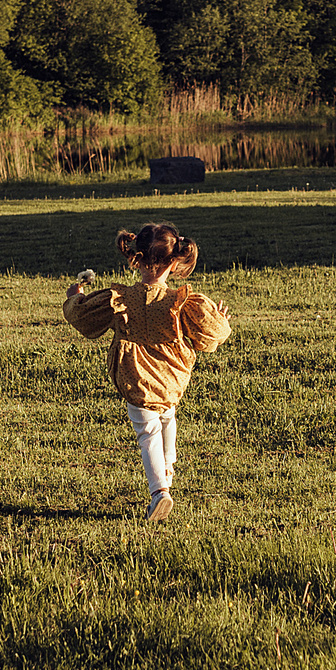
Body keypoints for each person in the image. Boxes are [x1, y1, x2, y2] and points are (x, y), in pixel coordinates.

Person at [62, 222, 232, 522]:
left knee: (147, 431)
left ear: (136, 258)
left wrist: (75, 296)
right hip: (171, 377)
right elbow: (215, 331)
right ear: (173, 260)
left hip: (136, 377)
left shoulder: (120, 299)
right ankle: (167, 467)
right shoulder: (182, 302)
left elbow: (81, 316)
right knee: (167, 416)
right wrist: (219, 318)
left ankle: (159, 493)